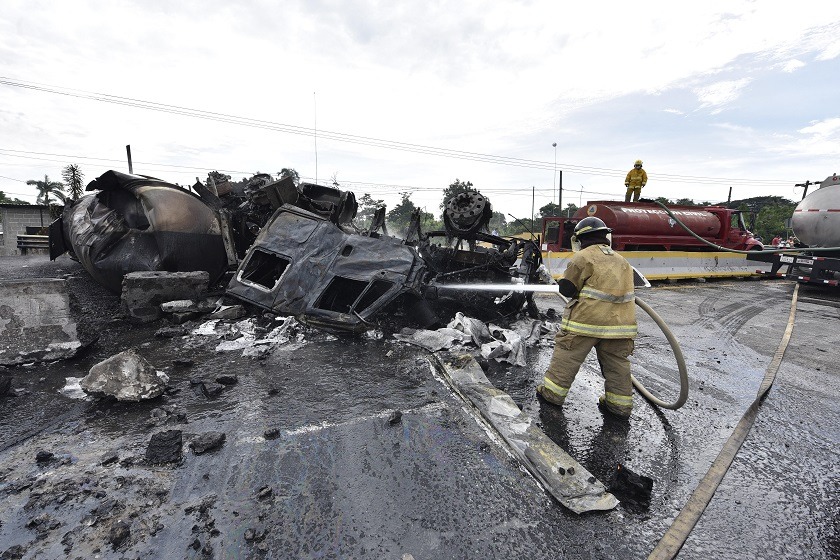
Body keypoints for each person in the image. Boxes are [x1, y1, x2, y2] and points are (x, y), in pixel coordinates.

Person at [537, 217, 637, 418]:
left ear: (580, 238)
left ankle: (552, 395)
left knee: (567, 356)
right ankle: (619, 406)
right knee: (617, 365)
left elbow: (567, 289)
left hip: (586, 323)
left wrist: (561, 281)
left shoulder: (583, 257)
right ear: (604, 235)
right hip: (620, 326)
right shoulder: (622, 261)